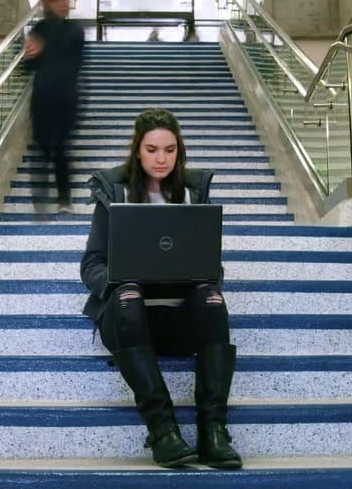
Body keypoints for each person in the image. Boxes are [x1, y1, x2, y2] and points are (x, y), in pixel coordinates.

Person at [80, 109, 242, 470]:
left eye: (170, 150)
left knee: (213, 300)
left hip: (178, 319)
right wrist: (121, 283)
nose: (161, 158)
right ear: (137, 151)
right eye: (152, 149)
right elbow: (90, 264)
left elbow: (210, 264)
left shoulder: (191, 192)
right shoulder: (115, 193)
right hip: (130, 323)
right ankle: (163, 430)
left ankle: (213, 431)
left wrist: (206, 279)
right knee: (127, 296)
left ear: (179, 151)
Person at [23, 0, 84, 215]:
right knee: (41, 150)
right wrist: (31, 56)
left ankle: (64, 199)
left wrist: (42, 50)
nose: (64, 3)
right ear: (47, 4)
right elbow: (29, 67)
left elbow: (74, 63)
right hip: (42, 100)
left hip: (66, 99)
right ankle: (40, 205)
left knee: (61, 149)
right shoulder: (38, 29)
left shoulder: (75, 29)